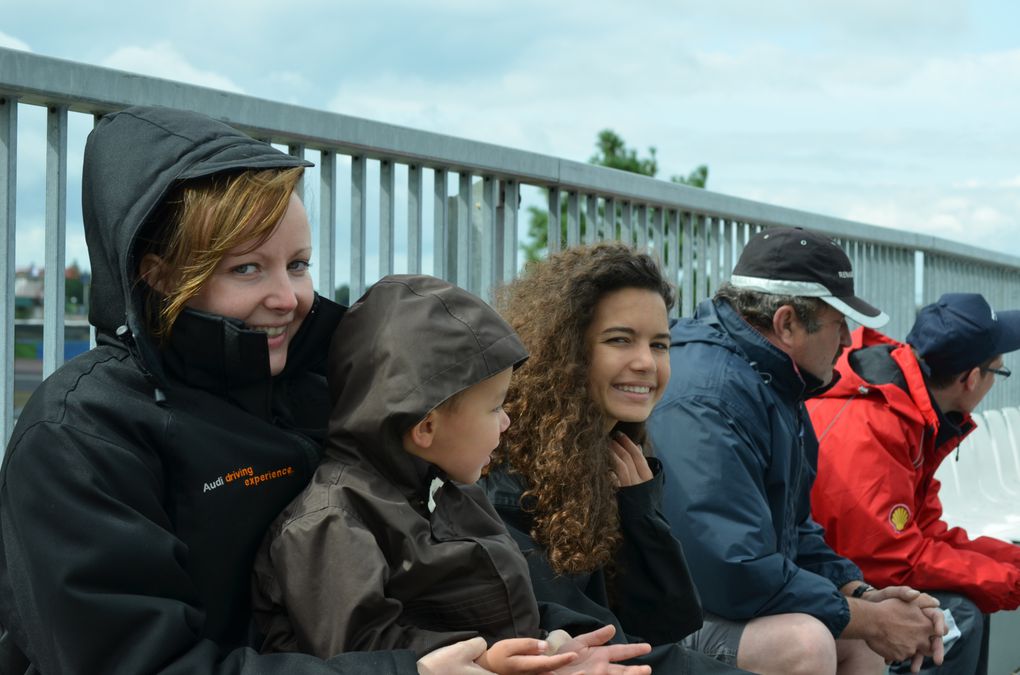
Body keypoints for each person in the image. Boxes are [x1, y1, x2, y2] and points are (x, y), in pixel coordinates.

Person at [0, 106, 489, 674]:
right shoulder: (82, 434)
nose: (290, 298)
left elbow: (431, 560)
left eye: (299, 265)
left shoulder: (321, 383)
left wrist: (532, 640)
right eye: (248, 269)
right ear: (159, 275)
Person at [252, 274, 651, 675]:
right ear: (426, 427)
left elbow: (511, 603)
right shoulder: (331, 521)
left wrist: (552, 641)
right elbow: (358, 654)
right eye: (495, 408)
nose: (507, 422)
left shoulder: (449, 490)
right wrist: (488, 659)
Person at [647, 226, 948, 675]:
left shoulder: (771, 382)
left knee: (858, 639)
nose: (848, 342)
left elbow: (795, 532)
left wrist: (859, 593)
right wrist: (867, 618)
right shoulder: (710, 396)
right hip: (656, 620)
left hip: (716, 600)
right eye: (838, 323)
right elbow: (731, 571)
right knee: (805, 644)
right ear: (787, 322)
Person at [481, 242, 747, 674]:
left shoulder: (613, 457)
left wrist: (640, 510)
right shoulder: (509, 470)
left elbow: (667, 622)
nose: (646, 362)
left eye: (660, 345)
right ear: (565, 350)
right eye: (620, 340)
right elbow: (586, 639)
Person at [809, 292, 1020, 675]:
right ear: (972, 379)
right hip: (821, 580)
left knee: (971, 602)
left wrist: (1013, 566)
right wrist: (1011, 581)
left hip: (844, 565)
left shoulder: (906, 407)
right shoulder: (875, 423)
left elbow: (924, 531)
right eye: (998, 371)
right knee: (956, 619)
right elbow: (891, 561)